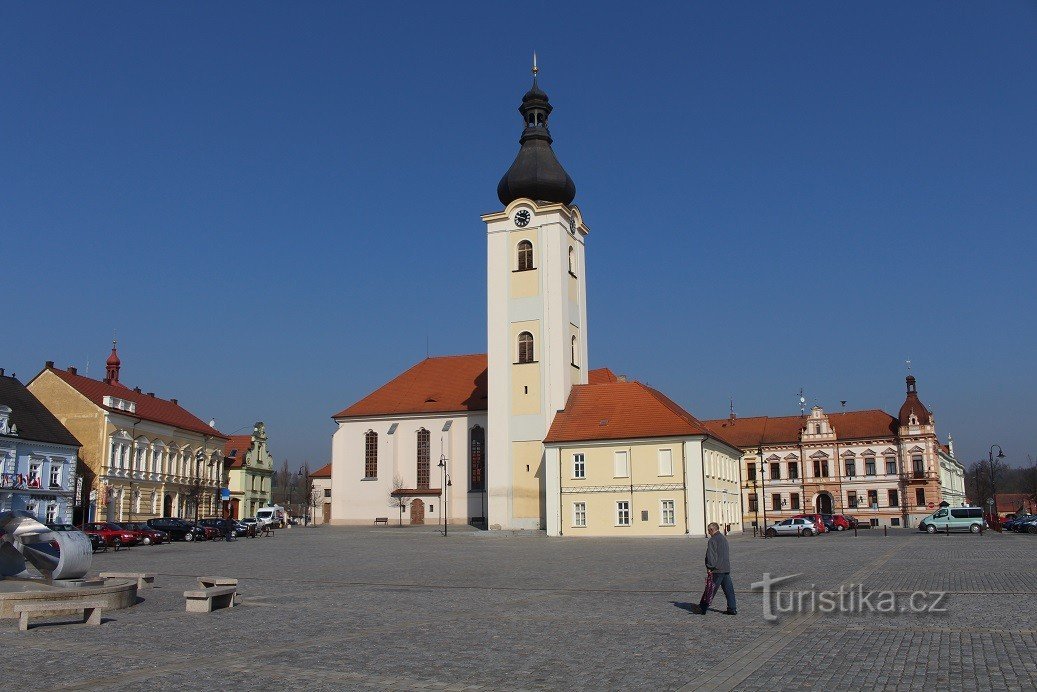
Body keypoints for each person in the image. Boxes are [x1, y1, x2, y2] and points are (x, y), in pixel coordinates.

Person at [699, 522, 736, 615]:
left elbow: (711, 556)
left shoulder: (712, 540)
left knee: (710, 589)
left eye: (708, 530)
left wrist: (709, 567)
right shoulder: (723, 538)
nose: (708, 532)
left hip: (717, 569)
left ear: (712, 530)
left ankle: (702, 608)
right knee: (729, 590)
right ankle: (732, 608)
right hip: (725, 568)